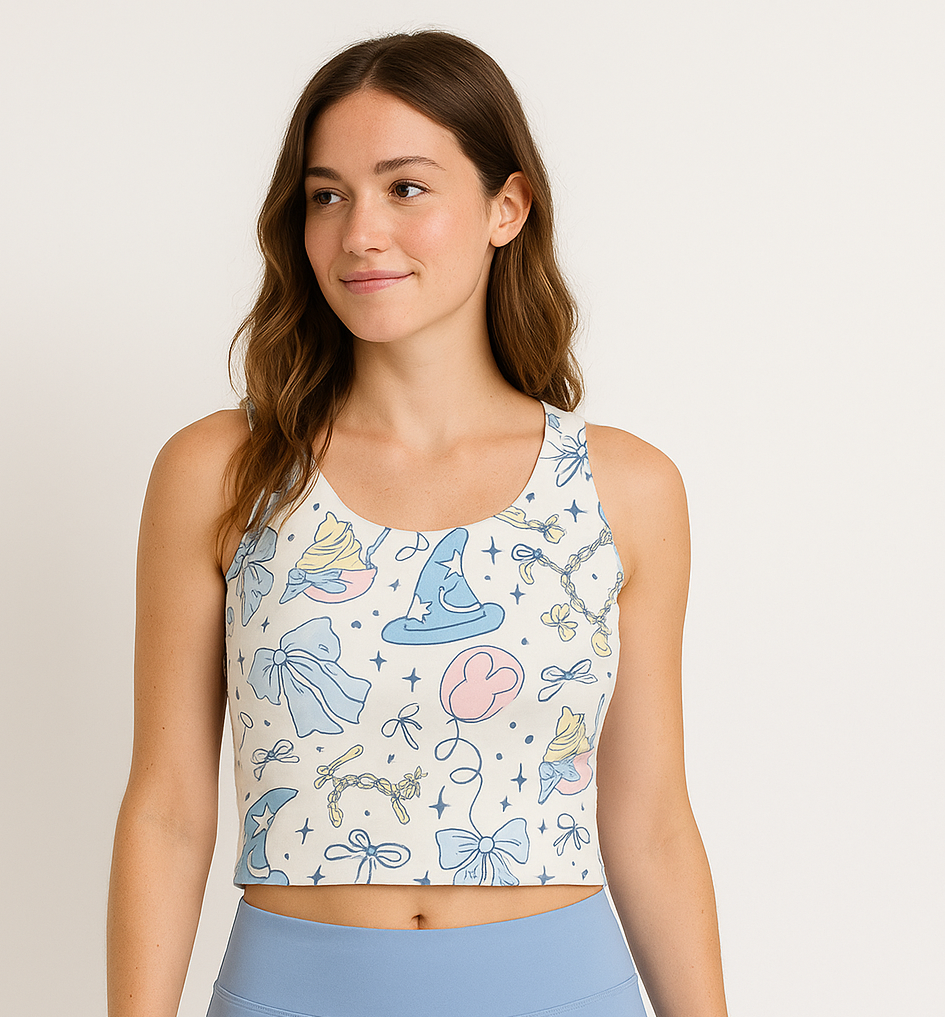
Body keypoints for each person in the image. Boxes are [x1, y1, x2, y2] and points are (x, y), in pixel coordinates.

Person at [107, 30, 728, 1017]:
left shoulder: (623, 487)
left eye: (405, 187)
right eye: (327, 195)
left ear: (506, 207)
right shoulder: (222, 473)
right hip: (291, 993)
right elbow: (168, 810)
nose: (360, 232)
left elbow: (651, 822)